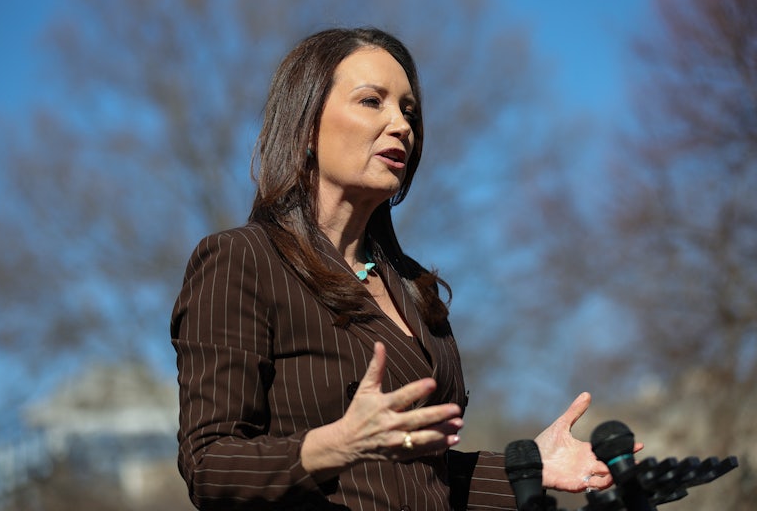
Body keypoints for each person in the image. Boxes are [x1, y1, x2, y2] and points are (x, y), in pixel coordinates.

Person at [170, 27, 630, 510]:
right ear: (306, 128)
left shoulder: (413, 286)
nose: (402, 125)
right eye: (373, 102)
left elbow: (416, 477)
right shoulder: (243, 260)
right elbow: (209, 465)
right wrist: (337, 444)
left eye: (409, 110)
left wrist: (530, 467)